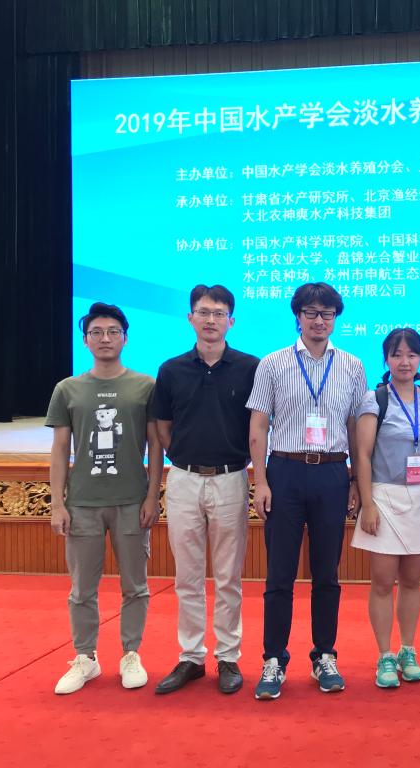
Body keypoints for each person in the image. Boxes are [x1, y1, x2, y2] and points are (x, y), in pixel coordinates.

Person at [246, 282, 367, 699]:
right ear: (297, 316)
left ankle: (324, 655)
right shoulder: (273, 363)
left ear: (335, 318)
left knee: (327, 574)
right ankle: (273, 660)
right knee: (279, 573)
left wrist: (355, 480)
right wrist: (261, 481)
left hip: (332, 473)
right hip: (285, 472)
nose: (319, 320)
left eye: (327, 313)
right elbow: (259, 424)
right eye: (311, 312)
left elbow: (355, 426)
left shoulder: (351, 365)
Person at [46, 302, 162, 694]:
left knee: (135, 586)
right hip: (82, 503)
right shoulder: (68, 389)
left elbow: (156, 445)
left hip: (131, 501)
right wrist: (57, 503)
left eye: (113, 331)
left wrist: (152, 495)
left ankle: (131, 654)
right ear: (85, 340)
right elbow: (60, 449)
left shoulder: (145, 386)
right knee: (82, 589)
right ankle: (85, 658)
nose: (105, 338)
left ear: (125, 338)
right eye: (96, 332)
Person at [152, 285, 259, 695]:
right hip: (183, 479)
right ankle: (191, 657)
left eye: (218, 313)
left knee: (229, 576)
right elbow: (163, 427)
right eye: (203, 312)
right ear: (190, 318)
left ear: (231, 320)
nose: (210, 319)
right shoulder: (171, 369)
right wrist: (184, 457)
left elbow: (258, 425)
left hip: (232, 478)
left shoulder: (250, 367)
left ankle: (228, 656)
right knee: (188, 576)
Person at [352, 328, 420, 688]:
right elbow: (362, 455)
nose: (404, 361)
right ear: (386, 359)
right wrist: (367, 503)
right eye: (397, 354)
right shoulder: (375, 399)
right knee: (383, 581)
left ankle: (407, 650)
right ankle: (385, 655)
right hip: (384, 497)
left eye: (411, 355)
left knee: (412, 580)